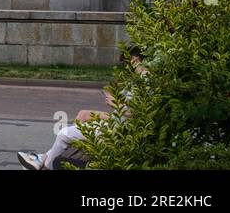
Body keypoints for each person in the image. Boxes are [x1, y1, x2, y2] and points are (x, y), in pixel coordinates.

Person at [17, 47, 146, 170]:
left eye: (125, 62)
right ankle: (43, 158)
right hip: (117, 125)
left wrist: (116, 103)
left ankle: (45, 164)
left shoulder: (145, 80)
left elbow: (138, 113)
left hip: (120, 132)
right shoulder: (136, 80)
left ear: (134, 59)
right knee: (83, 115)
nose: (124, 67)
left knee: (63, 134)